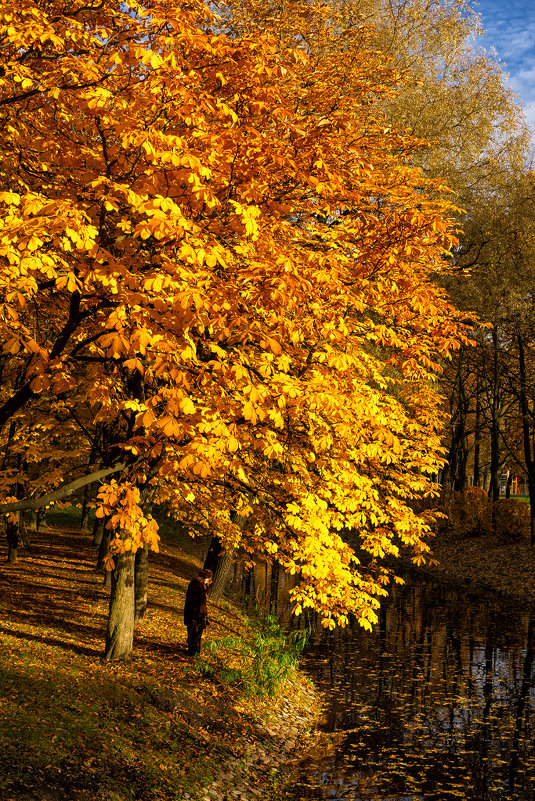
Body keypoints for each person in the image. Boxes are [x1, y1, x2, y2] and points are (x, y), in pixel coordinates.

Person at [183, 568, 213, 656]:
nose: (210, 580)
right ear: (205, 578)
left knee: (198, 633)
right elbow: (196, 601)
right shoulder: (196, 585)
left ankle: (196, 651)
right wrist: (197, 616)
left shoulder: (200, 584)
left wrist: (206, 585)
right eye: (209, 578)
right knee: (193, 633)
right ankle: (192, 652)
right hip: (194, 614)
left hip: (199, 614)